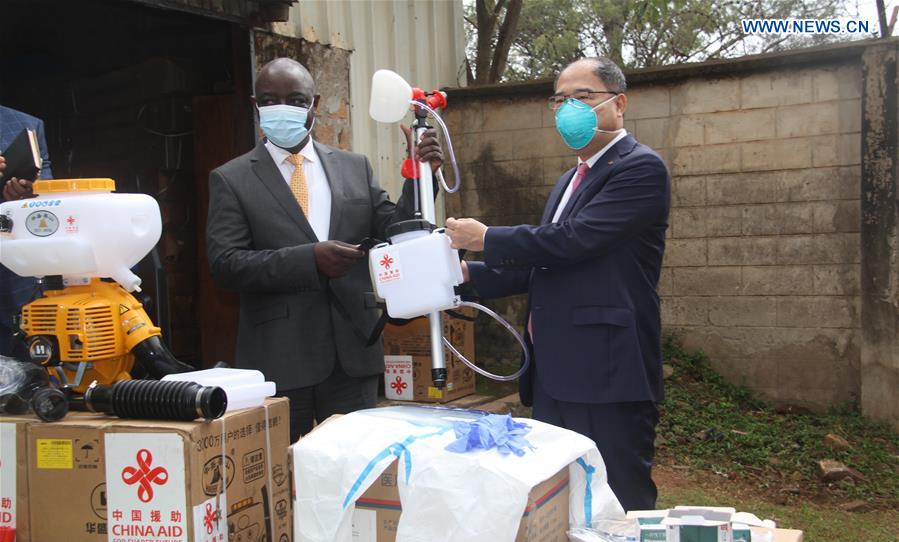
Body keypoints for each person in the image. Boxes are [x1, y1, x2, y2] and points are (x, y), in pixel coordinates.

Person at [445, 57, 670, 511]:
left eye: (583, 97)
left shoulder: (641, 168)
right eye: (560, 100)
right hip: (554, 371)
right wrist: (464, 275)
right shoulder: (571, 178)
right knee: (561, 500)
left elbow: (574, 241)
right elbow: (544, 264)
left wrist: (487, 238)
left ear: (618, 103)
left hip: (606, 371)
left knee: (617, 499)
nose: (569, 108)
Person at [207, 58, 443, 443]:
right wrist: (309, 259)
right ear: (255, 105)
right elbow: (226, 264)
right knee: (286, 473)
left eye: (296, 100)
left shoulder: (353, 167)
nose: (283, 108)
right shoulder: (232, 178)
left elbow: (396, 231)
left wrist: (420, 175)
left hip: (351, 354)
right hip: (280, 360)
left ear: (315, 104)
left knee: (355, 468)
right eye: (270, 100)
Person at [0, 105, 54, 359]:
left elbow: (48, 195)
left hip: (15, 278)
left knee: (25, 370)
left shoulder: (27, 124)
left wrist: (27, 192)